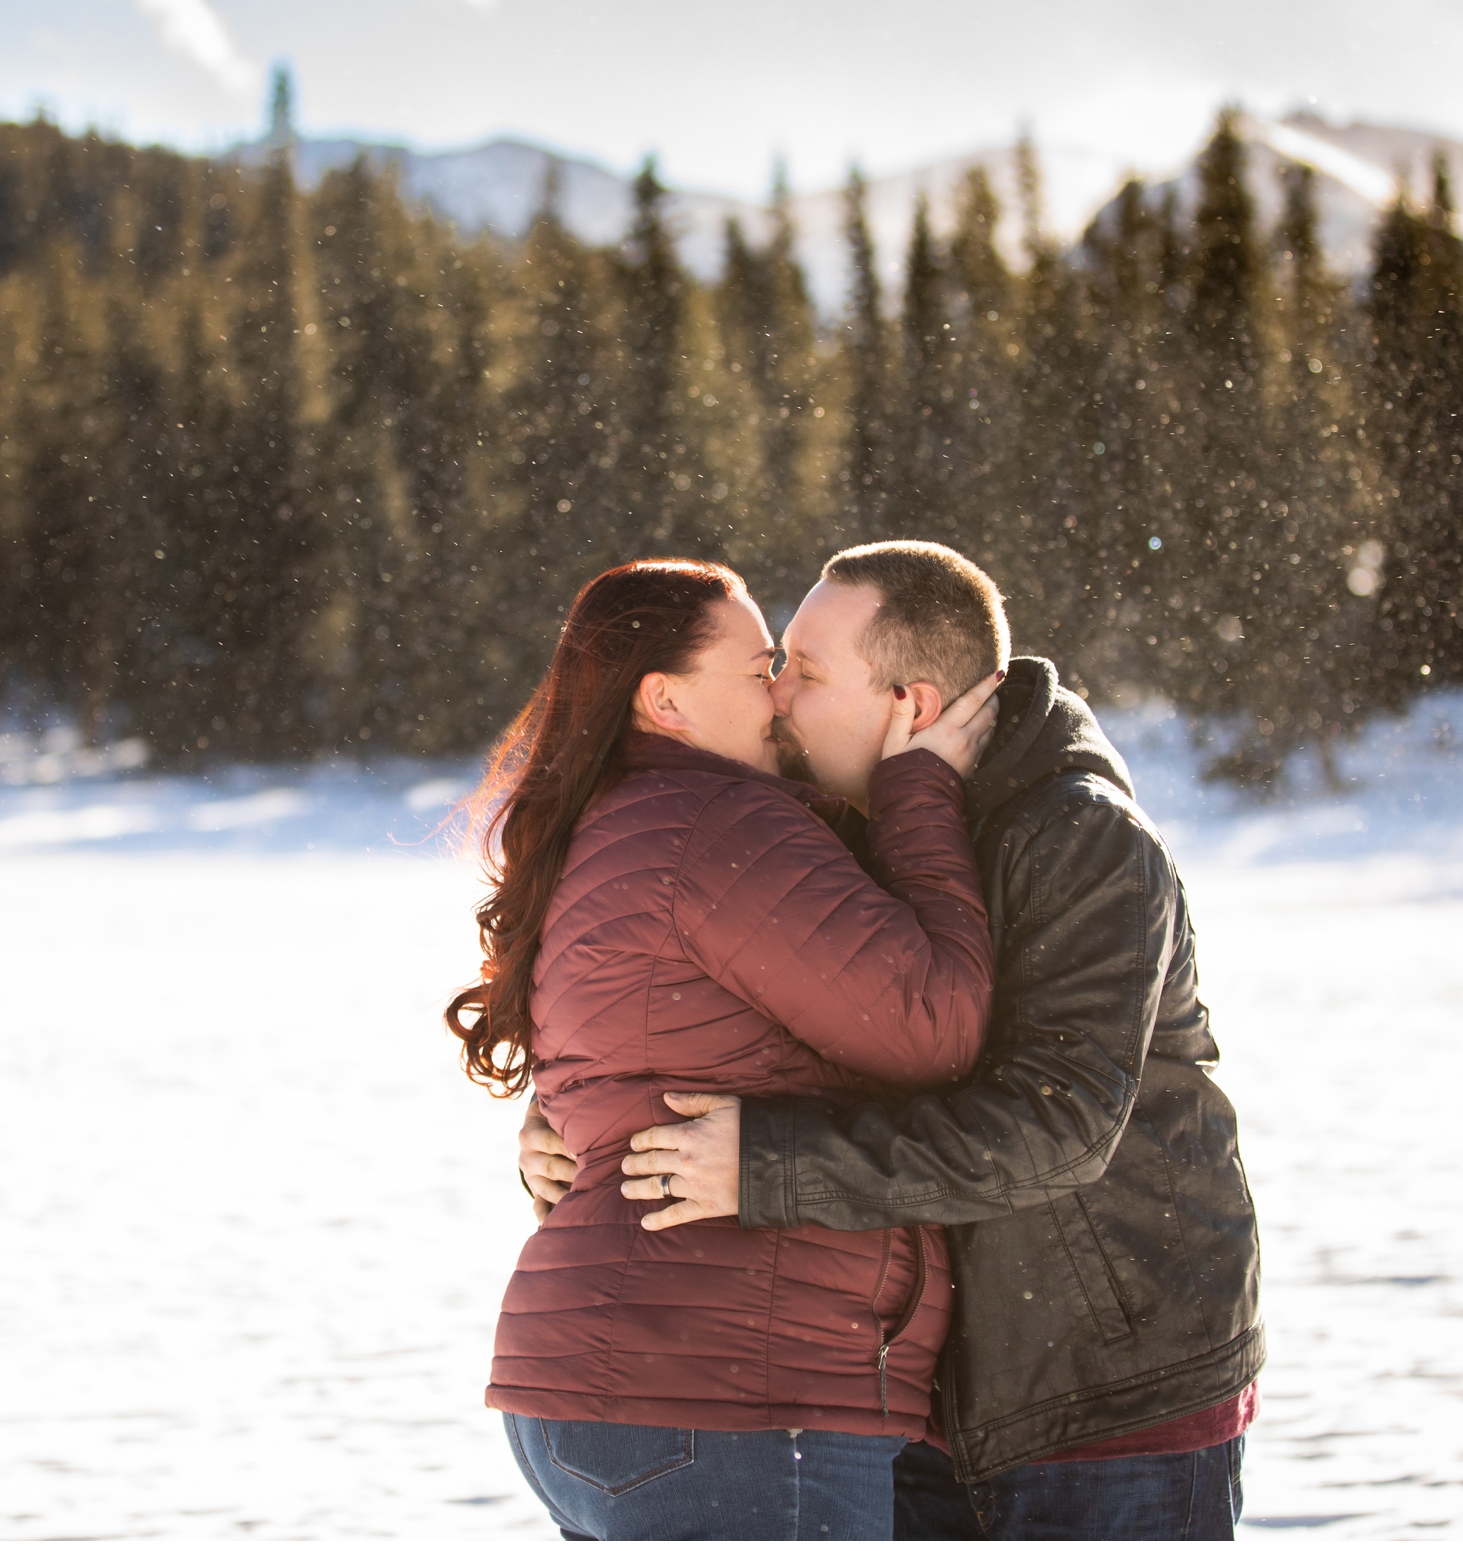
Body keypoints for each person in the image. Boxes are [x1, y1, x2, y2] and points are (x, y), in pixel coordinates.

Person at [519, 541, 1264, 1540]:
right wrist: (586, 1119)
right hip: (902, 1399)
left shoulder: (1081, 840)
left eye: (806, 671)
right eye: (773, 667)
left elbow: (1059, 1128)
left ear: (910, 705)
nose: (778, 696)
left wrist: (769, 1164)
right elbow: (712, 1005)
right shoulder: (852, 824)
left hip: (1100, 1403)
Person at [447, 557, 1005, 1541]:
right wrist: (916, 792)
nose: (779, 695)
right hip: (725, 1388)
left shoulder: (622, 821)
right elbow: (933, 1021)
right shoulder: (714, 822)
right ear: (666, 698)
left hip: (613, 1382)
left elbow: (626, 1064)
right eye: (757, 670)